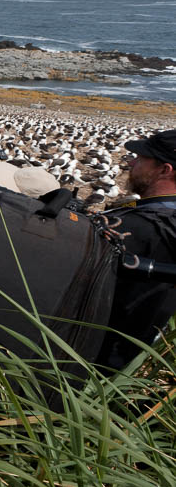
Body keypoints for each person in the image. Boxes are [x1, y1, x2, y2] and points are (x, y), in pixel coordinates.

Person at [99, 130, 176, 369]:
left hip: (101, 362)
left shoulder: (137, 229)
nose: (131, 163)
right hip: (143, 359)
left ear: (165, 170)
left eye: (141, 159)